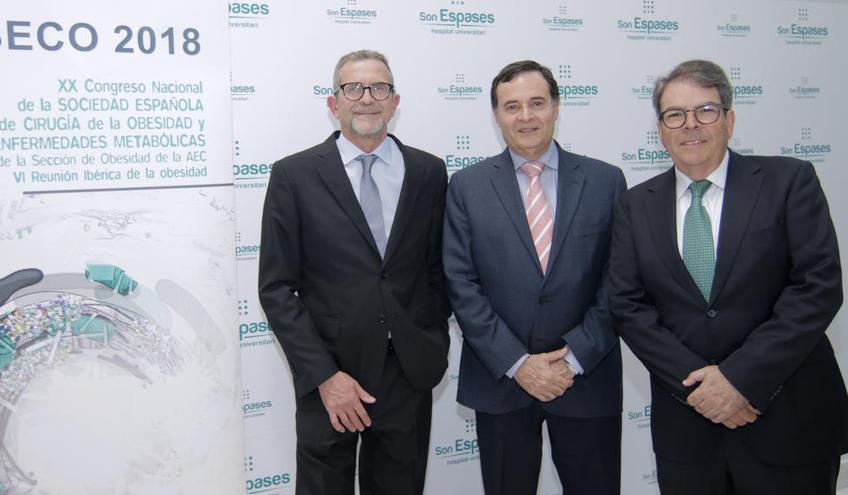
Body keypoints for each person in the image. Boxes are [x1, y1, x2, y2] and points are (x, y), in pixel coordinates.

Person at [608, 59, 848, 495]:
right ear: (661, 130)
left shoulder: (789, 180)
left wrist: (739, 380)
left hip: (788, 421)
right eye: (674, 115)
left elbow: (817, 288)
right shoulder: (634, 206)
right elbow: (628, 306)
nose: (690, 125)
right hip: (689, 430)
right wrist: (703, 388)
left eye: (706, 110)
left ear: (729, 119)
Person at [258, 49, 450, 495]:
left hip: (406, 372)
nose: (367, 98)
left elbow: (438, 271)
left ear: (395, 101)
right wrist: (324, 376)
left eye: (379, 87)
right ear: (334, 103)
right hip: (330, 375)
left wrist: (428, 338)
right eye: (353, 88)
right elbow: (277, 288)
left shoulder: (428, 172)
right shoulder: (294, 175)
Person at [443, 60, 625, 495]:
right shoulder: (466, 186)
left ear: (556, 107)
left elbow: (619, 280)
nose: (525, 116)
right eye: (512, 106)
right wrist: (518, 364)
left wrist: (573, 357)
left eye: (537, 103)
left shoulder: (605, 180)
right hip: (502, 383)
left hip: (586, 379)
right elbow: (460, 283)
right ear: (497, 115)